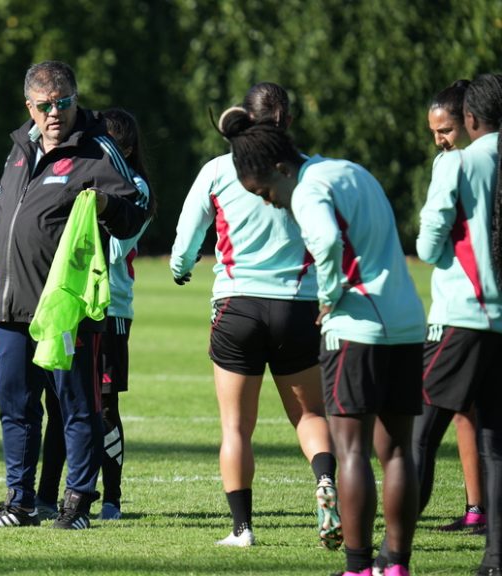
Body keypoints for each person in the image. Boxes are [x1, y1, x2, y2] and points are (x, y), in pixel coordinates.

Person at [218, 105, 427, 576]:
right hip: (407, 322)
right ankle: (395, 565)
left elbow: (328, 242)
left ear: (279, 168)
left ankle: (356, 567)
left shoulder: (309, 189)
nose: (271, 202)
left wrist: (329, 296)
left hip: (357, 328)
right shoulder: (350, 170)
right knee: (397, 452)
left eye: (266, 192)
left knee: (352, 451)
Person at [0, 60, 149, 531]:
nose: (55, 113)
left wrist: (109, 205)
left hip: (66, 310)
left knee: (77, 407)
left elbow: (138, 210)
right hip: (11, 308)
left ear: (75, 98)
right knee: (16, 407)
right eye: (46, 105)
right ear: (29, 106)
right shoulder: (18, 149)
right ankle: (19, 502)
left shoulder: (96, 148)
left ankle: (77, 504)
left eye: (63, 102)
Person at [169, 83, 340, 549]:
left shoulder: (219, 169)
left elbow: (188, 235)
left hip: (237, 308)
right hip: (298, 307)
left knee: (236, 427)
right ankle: (325, 481)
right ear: (288, 118)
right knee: (308, 414)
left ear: (244, 116)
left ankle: (242, 529)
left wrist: (180, 268)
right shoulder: (313, 170)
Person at [36, 108, 154, 521]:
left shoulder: (133, 186)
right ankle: (46, 494)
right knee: (59, 402)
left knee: (103, 406)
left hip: (110, 308)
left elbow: (117, 249)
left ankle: (111, 498)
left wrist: (95, 215)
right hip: (71, 305)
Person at [414, 73, 502, 576]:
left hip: (463, 316)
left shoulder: (458, 163)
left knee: (419, 436)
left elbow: (427, 246)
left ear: (470, 118)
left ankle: (391, 554)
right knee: (495, 444)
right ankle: (494, 561)